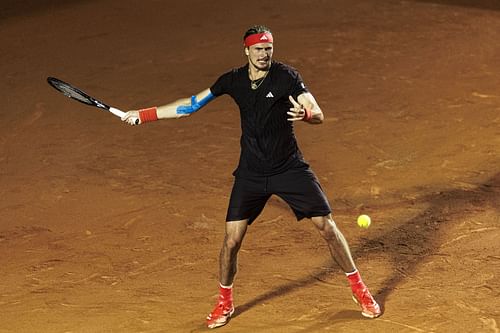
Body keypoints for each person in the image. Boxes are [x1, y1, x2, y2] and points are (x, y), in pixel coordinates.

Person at [122, 25, 381, 329]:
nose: (264, 54)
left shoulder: (286, 77)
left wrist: (307, 115)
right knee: (231, 240)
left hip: (289, 168)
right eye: (258, 49)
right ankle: (224, 302)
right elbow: (190, 106)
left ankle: (359, 290)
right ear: (246, 51)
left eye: (268, 48)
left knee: (326, 225)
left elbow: (318, 112)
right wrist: (145, 113)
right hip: (251, 174)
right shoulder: (232, 80)